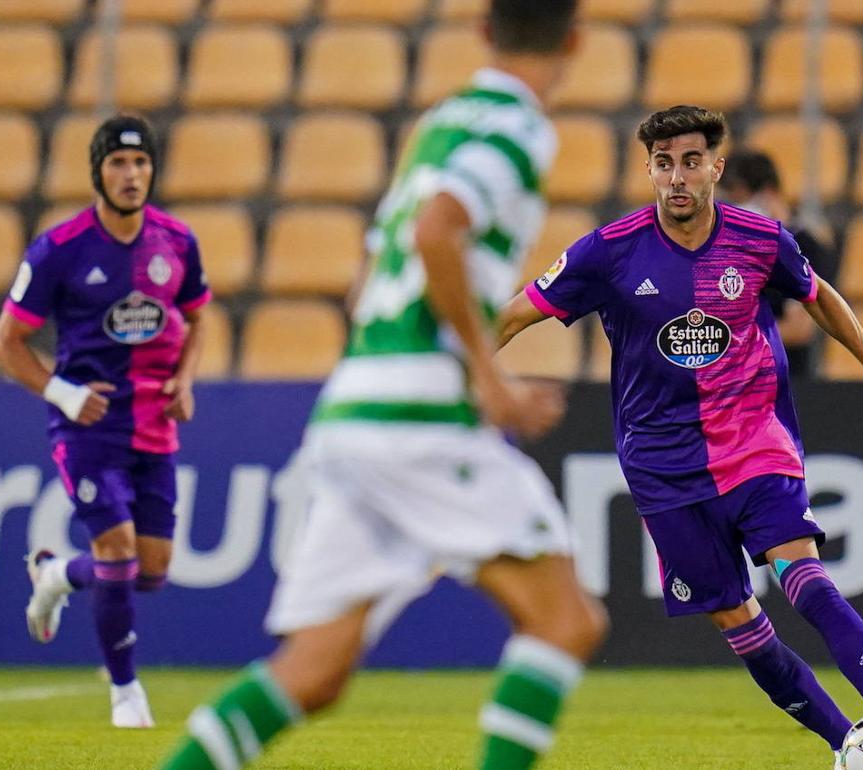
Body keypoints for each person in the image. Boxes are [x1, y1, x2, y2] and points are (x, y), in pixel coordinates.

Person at [157, 3, 607, 769]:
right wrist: (485, 372)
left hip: (354, 409)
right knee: (566, 621)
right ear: (574, 39)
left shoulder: (440, 123)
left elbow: (372, 269)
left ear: (482, 32)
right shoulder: (519, 126)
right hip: (419, 418)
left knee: (315, 670)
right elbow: (438, 231)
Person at [496, 105, 863, 766]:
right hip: (663, 470)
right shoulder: (608, 250)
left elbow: (818, 295)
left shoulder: (759, 238)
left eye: (690, 162)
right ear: (649, 170)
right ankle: (854, 747)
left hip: (754, 443)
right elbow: (517, 313)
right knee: (742, 625)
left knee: (802, 574)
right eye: (663, 164)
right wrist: (456, 376)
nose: (676, 178)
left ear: (716, 167)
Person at [0, 115, 211, 728]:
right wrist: (59, 392)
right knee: (115, 551)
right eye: (118, 163)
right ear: (98, 171)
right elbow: (6, 341)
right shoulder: (59, 250)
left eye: (140, 164)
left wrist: (185, 380)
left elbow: (198, 317)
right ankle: (125, 693)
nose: (131, 175)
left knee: (151, 570)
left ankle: (57, 573)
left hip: (154, 425)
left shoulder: (176, 242)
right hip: (88, 427)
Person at [718, 149, 839, 377]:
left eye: (738, 198)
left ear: (768, 194)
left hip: (786, 380)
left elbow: (799, 329)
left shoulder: (803, 245)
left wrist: (730, 343)